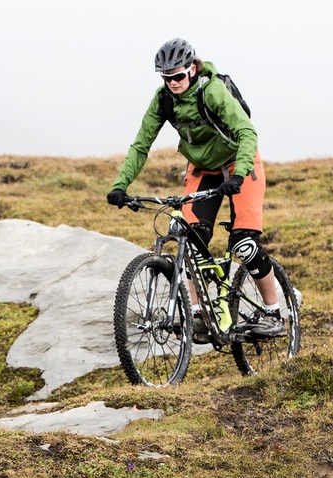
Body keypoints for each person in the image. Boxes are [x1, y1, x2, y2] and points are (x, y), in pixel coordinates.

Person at [107, 38, 283, 337]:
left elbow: (246, 131)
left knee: (244, 244)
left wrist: (238, 175)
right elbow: (141, 144)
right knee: (191, 239)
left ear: (191, 68)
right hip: (202, 169)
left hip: (239, 165)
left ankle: (273, 313)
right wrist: (120, 185)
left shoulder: (212, 91)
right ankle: (200, 314)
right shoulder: (163, 99)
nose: (172, 82)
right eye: (166, 77)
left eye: (177, 76)